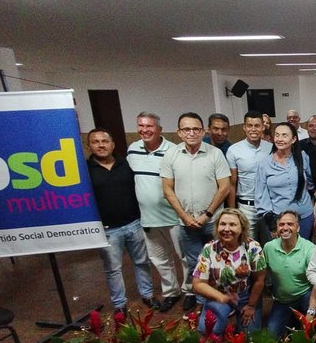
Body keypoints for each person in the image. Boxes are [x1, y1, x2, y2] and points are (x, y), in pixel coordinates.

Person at [161, 112, 232, 312]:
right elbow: (167, 189)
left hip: (213, 221)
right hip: (186, 223)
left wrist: (207, 214)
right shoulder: (171, 155)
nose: (191, 133)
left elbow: (224, 186)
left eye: (196, 129)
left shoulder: (215, 154)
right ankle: (201, 300)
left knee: (220, 261)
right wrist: (184, 216)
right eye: (187, 129)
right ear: (179, 132)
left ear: (203, 131)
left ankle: (222, 301)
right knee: (195, 263)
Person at [86, 128, 155, 316]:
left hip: (134, 223)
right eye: (96, 142)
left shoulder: (126, 164)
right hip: (107, 229)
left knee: (142, 262)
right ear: (89, 145)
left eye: (105, 141)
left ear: (112, 144)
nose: (101, 145)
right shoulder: (85, 171)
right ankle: (119, 304)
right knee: (113, 269)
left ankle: (147, 295)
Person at [126, 112, 183, 312]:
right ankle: (171, 292)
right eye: (141, 126)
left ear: (159, 129)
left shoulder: (173, 150)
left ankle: (191, 291)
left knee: (184, 256)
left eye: (149, 126)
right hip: (148, 218)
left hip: (174, 215)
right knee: (160, 259)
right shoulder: (132, 150)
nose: (144, 130)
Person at [193, 208, 266, 335]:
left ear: (242, 228)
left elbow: (259, 280)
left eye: (232, 224)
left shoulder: (253, 247)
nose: (226, 229)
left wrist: (251, 305)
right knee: (208, 331)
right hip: (218, 294)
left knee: (250, 337)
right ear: (217, 227)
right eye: (222, 224)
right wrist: (222, 297)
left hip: (246, 295)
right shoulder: (209, 249)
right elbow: (197, 284)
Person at [255, 122, 314, 241]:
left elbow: (311, 181)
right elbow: (260, 194)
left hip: (304, 217)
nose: (279, 139)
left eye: (284, 135)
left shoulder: (302, 157)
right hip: (279, 219)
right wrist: (270, 220)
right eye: (277, 135)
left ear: (294, 139)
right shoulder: (265, 163)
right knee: (280, 250)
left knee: (303, 250)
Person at [263, 211, 316, 339]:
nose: (285, 228)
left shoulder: (310, 249)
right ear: (277, 228)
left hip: (305, 295)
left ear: (298, 228)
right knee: (271, 336)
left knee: (311, 333)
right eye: (281, 224)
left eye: (290, 224)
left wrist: (311, 311)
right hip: (282, 300)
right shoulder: (268, 248)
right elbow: (262, 276)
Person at [226, 111, 273, 240]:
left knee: (271, 245)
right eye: (249, 125)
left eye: (257, 125)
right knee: (249, 246)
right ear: (244, 127)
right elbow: (232, 184)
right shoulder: (234, 150)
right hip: (246, 207)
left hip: (269, 206)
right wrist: (232, 212)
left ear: (263, 127)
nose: (253, 129)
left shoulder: (271, 148)